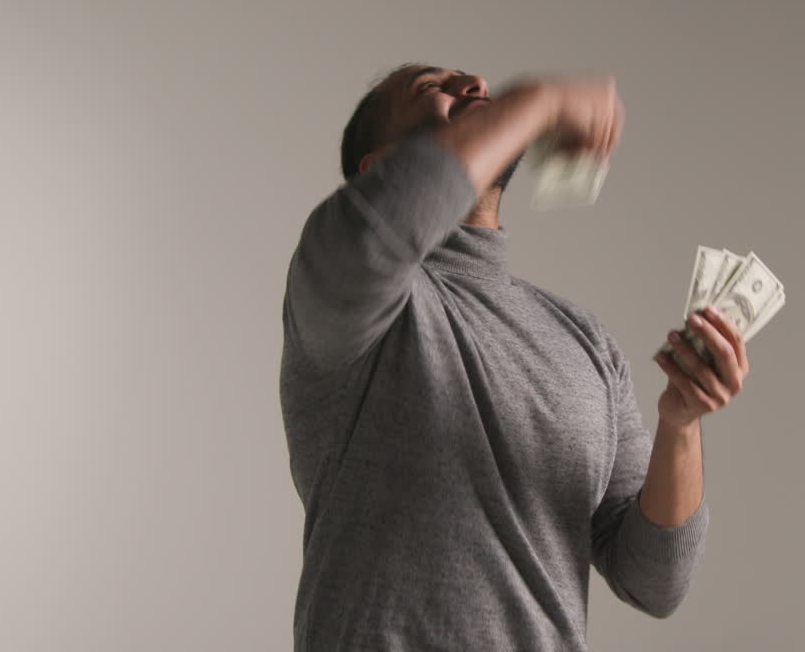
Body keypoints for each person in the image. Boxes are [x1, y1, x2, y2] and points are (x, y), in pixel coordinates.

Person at [279, 63, 751, 651]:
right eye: (431, 88)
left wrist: (680, 424)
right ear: (379, 169)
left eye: (473, 85)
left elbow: (655, 582)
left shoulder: (586, 342)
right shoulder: (341, 294)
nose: (475, 85)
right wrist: (540, 100)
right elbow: (376, 229)